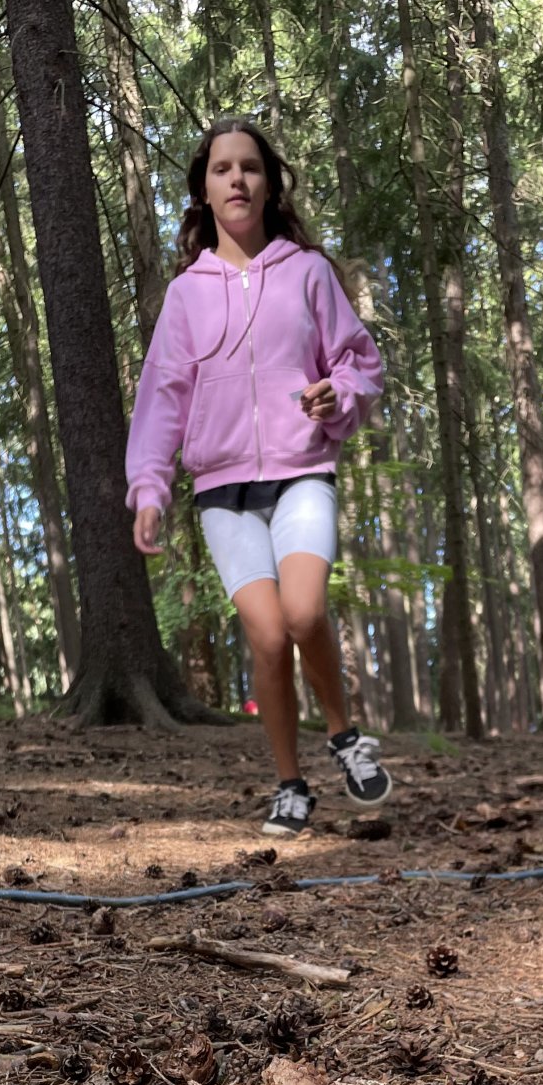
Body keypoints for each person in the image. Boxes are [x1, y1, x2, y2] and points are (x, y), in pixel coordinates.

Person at [125, 118, 391, 836]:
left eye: (249, 167)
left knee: (303, 613)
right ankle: (290, 785)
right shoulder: (186, 294)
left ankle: (343, 737)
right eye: (222, 169)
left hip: (303, 472)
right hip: (221, 491)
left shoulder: (307, 272)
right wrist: (149, 488)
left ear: (270, 185)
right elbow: (162, 398)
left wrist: (339, 394)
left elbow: (360, 362)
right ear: (204, 191)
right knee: (268, 637)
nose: (237, 179)